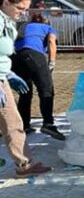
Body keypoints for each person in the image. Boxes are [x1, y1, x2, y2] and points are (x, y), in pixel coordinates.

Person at [0, 0, 51, 177]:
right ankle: (24, 165)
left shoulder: (7, 21)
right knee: (11, 121)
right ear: (6, 3)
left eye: (25, 10)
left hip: (3, 76)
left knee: (12, 121)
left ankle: (24, 164)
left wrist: (8, 74)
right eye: (20, 8)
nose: (22, 13)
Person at [12, 12, 64, 140]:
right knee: (46, 88)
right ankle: (48, 123)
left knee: (25, 92)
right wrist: (51, 62)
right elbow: (51, 42)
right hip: (34, 54)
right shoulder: (48, 28)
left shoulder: (24, 26)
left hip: (16, 57)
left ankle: (24, 125)